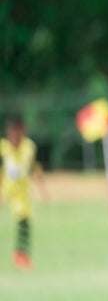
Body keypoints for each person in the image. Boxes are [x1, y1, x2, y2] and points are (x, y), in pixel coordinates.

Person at [0, 116, 49, 271]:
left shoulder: (29, 147)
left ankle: (22, 253)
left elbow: (35, 168)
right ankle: (20, 254)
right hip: (10, 191)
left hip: (24, 191)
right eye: (10, 133)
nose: (13, 136)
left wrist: (43, 191)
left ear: (22, 131)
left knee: (26, 221)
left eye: (16, 132)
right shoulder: (3, 148)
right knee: (22, 218)